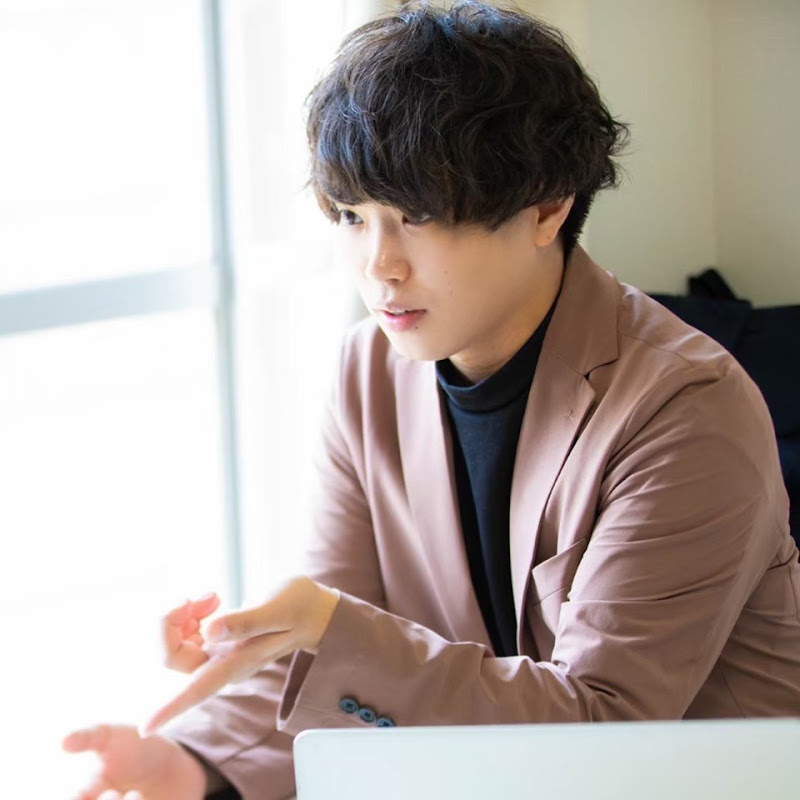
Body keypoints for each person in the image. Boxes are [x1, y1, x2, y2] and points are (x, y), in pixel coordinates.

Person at [63, 2, 800, 798]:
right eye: (352, 216)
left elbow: (600, 730)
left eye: (416, 217)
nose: (379, 265)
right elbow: (335, 666)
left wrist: (331, 628)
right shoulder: (368, 373)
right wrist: (187, 765)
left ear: (547, 207)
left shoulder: (687, 409)